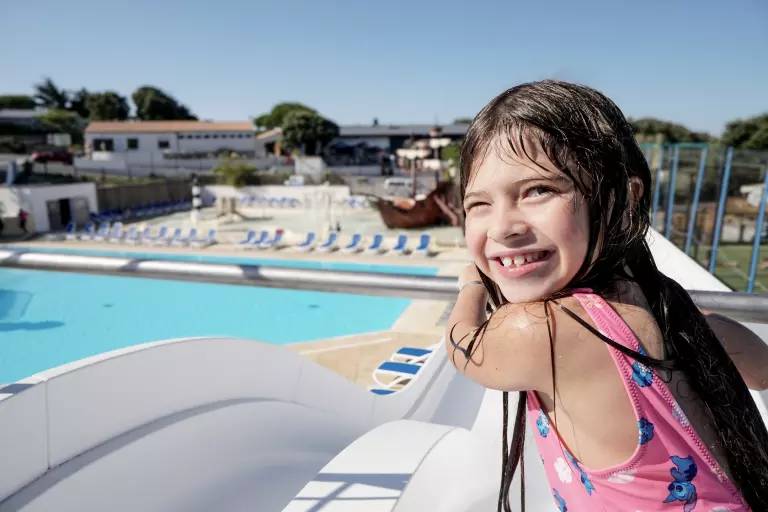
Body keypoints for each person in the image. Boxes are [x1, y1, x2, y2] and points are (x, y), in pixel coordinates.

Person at [446, 80, 768, 512]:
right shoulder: (669, 309)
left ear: (623, 199)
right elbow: (761, 369)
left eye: (538, 190)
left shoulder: (539, 330)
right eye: (479, 204)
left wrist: (470, 287)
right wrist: (703, 322)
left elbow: (465, 348)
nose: (503, 228)